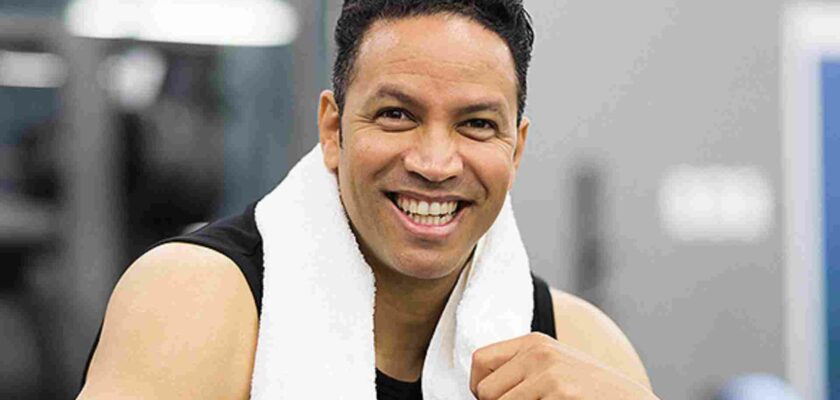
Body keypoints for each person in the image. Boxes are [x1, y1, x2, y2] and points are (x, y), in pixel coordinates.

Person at [77, 1, 660, 399]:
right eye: (397, 114)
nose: (435, 163)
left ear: (516, 148)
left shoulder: (580, 343)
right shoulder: (196, 299)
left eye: (477, 124)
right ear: (333, 129)